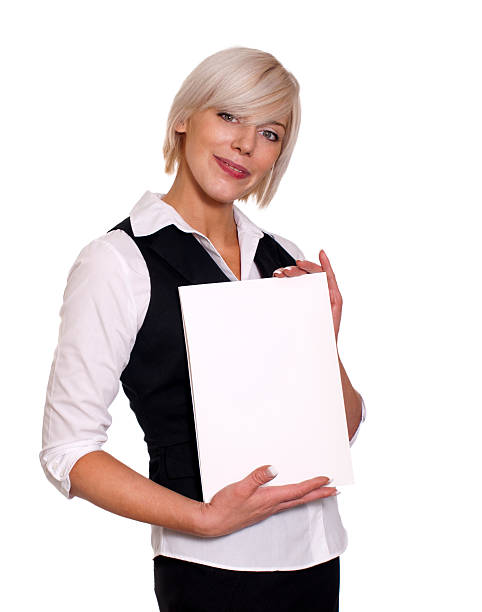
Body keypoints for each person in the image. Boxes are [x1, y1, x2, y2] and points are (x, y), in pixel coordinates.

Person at [39, 46, 366, 611]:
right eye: (230, 115)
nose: (245, 143)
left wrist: (324, 341)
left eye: (270, 132)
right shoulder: (117, 262)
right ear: (184, 118)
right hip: (212, 571)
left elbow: (346, 430)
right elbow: (67, 450)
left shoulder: (282, 256)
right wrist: (203, 519)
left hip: (318, 558)